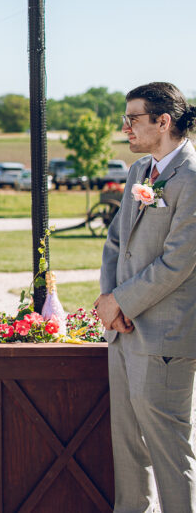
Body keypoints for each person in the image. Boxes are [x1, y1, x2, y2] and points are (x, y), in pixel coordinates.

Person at [96, 82, 196, 512]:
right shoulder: (139, 172)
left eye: (133, 118)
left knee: (169, 450)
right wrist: (108, 301)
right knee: (127, 445)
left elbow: (180, 261)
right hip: (123, 331)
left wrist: (122, 302)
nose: (125, 128)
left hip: (166, 336)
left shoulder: (192, 177)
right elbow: (116, 243)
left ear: (163, 121)